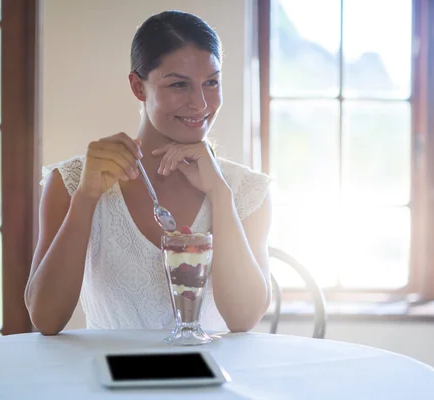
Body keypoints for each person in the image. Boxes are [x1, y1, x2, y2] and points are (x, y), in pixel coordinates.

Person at [24, 10, 272, 335]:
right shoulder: (72, 182)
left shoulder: (245, 191)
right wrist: (86, 198)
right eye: (179, 84)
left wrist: (221, 196)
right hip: (107, 379)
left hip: (208, 380)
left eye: (211, 83)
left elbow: (243, 320)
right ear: (138, 87)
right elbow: (45, 318)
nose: (200, 103)